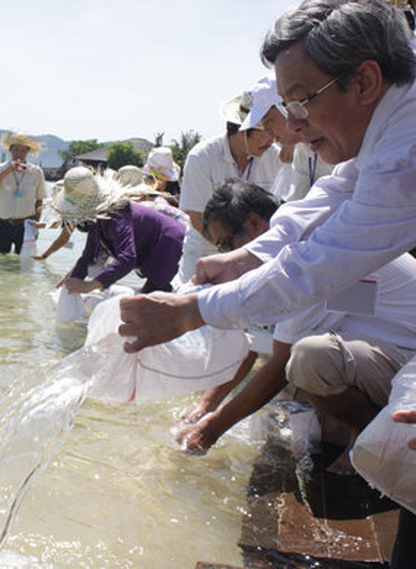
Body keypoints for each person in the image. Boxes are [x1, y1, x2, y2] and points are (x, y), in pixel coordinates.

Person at [115, 2, 416, 564]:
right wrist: (246, 258)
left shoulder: (407, 149)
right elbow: (324, 202)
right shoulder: (388, 129)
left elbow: (315, 267)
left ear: (366, 80)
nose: (293, 124)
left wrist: (191, 311)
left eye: (301, 99)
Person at [178, 181, 416, 472]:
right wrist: (206, 405)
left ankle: (375, 441)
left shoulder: (307, 255)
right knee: (295, 377)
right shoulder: (295, 252)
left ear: (254, 223)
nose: (227, 254)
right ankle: (349, 428)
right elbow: (253, 345)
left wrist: (208, 431)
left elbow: (280, 365)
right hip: (385, 349)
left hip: (409, 362)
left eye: (227, 243)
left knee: (307, 359)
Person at [172, 86, 282, 288]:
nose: (272, 139)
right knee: (195, 308)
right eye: (265, 132)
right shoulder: (202, 157)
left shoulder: (275, 156)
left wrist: (246, 254)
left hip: (254, 255)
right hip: (206, 251)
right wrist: (230, 251)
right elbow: (197, 218)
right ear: (242, 131)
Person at [53, 166, 185, 294]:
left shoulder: (116, 215)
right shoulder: (97, 219)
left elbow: (127, 258)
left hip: (170, 244)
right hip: (156, 248)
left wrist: (90, 286)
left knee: (148, 302)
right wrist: (70, 283)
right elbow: (88, 257)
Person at [240, 75, 334, 202]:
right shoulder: (302, 150)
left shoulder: (335, 136)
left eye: (268, 121)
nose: (267, 131)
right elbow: (298, 199)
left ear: (285, 109)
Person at [0, 133, 46, 254]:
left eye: (23, 151)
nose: (19, 154)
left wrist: (35, 227)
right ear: (10, 150)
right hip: (3, 223)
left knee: (24, 265)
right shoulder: (0, 168)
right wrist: (8, 170)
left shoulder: (36, 172)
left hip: (25, 226)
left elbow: (39, 200)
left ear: (27, 153)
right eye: (16, 150)